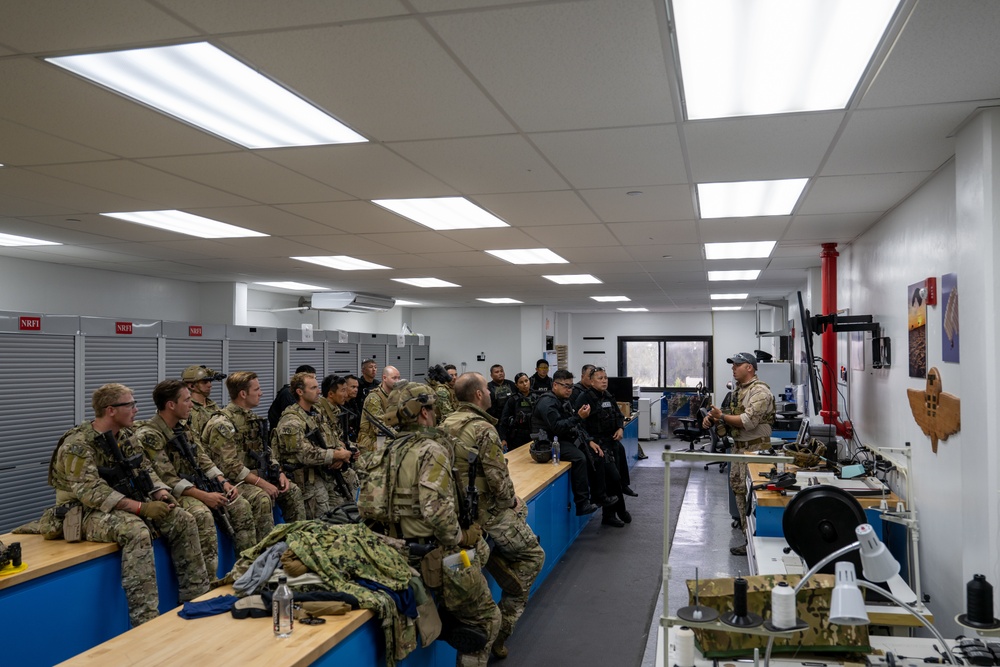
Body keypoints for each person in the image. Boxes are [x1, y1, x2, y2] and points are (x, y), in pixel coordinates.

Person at [46, 383, 210, 627]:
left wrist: (161, 494)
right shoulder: (78, 445)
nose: (136, 409)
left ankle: (195, 598)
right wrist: (141, 508)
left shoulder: (126, 436)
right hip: (80, 512)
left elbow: (145, 469)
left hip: (120, 502)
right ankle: (145, 621)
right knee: (135, 530)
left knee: (182, 518)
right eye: (130, 405)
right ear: (111, 410)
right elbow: (91, 492)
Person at [368, 382, 500, 666]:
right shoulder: (431, 450)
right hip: (439, 558)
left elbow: (368, 508)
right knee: (488, 620)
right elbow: (438, 513)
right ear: (424, 413)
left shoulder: (385, 450)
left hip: (398, 553)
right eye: (432, 408)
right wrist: (463, 536)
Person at [441, 373, 544, 660]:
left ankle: (498, 560)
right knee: (533, 555)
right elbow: (499, 484)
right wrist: (512, 500)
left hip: (456, 514)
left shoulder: (443, 425)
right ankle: (503, 628)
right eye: (486, 388)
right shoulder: (483, 429)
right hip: (488, 515)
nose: (490, 392)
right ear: (477, 395)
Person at [135, 380, 257, 574]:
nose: (192, 405)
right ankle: (207, 580)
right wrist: (205, 496)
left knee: (240, 504)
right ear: (171, 405)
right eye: (187, 400)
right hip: (174, 492)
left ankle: (247, 570)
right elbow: (168, 479)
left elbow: (203, 459)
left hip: (196, 485)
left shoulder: (182, 427)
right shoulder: (150, 434)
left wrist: (223, 482)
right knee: (203, 514)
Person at [203, 371, 305, 538]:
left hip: (256, 476)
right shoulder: (222, 424)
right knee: (262, 498)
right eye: (257, 389)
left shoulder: (254, 419)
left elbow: (266, 450)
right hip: (234, 481)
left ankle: (297, 542)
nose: (261, 393)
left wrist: (278, 472)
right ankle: (262, 551)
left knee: (293, 491)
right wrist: (261, 483)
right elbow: (230, 466)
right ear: (243, 394)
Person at [702, 352, 776, 555]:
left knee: (754, 497)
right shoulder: (739, 391)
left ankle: (757, 542)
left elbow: (747, 422)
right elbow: (727, 413)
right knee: (740, 493)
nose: (733, 369)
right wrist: (712, 419)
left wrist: (722, 416)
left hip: (755, 451)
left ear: (749, 367)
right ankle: (747, 538)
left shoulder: (760, 392)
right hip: (739, 449)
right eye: (733, 365)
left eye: (737, 365)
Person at [531, 369, 617, 516]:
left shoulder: (563, 401)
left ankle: (599, 496)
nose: (569, 390)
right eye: (566, 386)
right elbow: (557, 427)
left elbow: (573, 425)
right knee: (579, 458)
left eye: (571, 386)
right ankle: (582, 503)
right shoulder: (547, 402)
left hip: (564, 438)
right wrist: (579, 417)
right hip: (549, 443)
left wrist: (589, 441)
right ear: (555, 385)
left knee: (596, 453)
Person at [275, 372, 358, 519]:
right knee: (321, 520)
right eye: (313, 388)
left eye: (317, 387)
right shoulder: (292, 421)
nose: (319, 391)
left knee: (343, 515)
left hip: (325, 473)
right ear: (300, 392)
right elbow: (304, 454)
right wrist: (335, 455)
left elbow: (332, 438)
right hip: (305, 479)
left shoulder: (316, 414)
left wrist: (342, 451)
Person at [576, 368, 635, 528]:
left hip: (611, 441)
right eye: (600, 378)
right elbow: (578, 423)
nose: (604, 381)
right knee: (613, 479)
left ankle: (610, 515)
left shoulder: (607, 395)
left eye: (605, 378)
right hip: (597, 444)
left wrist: (620, 428)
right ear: (591, 381)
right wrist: (589, 441)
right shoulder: (585, 398)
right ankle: (619, 512)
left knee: (614, 480)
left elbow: (618, 415)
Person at [357, 365, 401, 453]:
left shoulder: (396, 396)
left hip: (388, 436)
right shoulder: (374, 398)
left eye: (399, 378)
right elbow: (379, 426)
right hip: (371, 440)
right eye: (394, 378)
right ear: (384, 378)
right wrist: (400, 436)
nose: (397, 381)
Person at [181, 364, 226, 440]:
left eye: (210, 381)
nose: (210, 385)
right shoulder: (186, 408)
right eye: (204, 382)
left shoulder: (213, 406)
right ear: (192, 386)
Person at [268, 364, 315, 430]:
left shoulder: (302, 393)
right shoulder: (287, 394)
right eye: (311, 378)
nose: (314, 381)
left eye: (315, 378)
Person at [498, 373, 534, 451]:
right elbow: (504, 420)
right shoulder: (513, 400)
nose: (525, 384)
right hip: (517, 436)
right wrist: (503, 439)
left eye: (526, 381)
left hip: (534, 433)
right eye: (521, 382)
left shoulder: (536, 397)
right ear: (516, 385)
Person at [344, 373, 362, 441]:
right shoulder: (339, 405)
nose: (356, 390)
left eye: (357, 387)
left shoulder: (353, 403)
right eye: (353, 387)